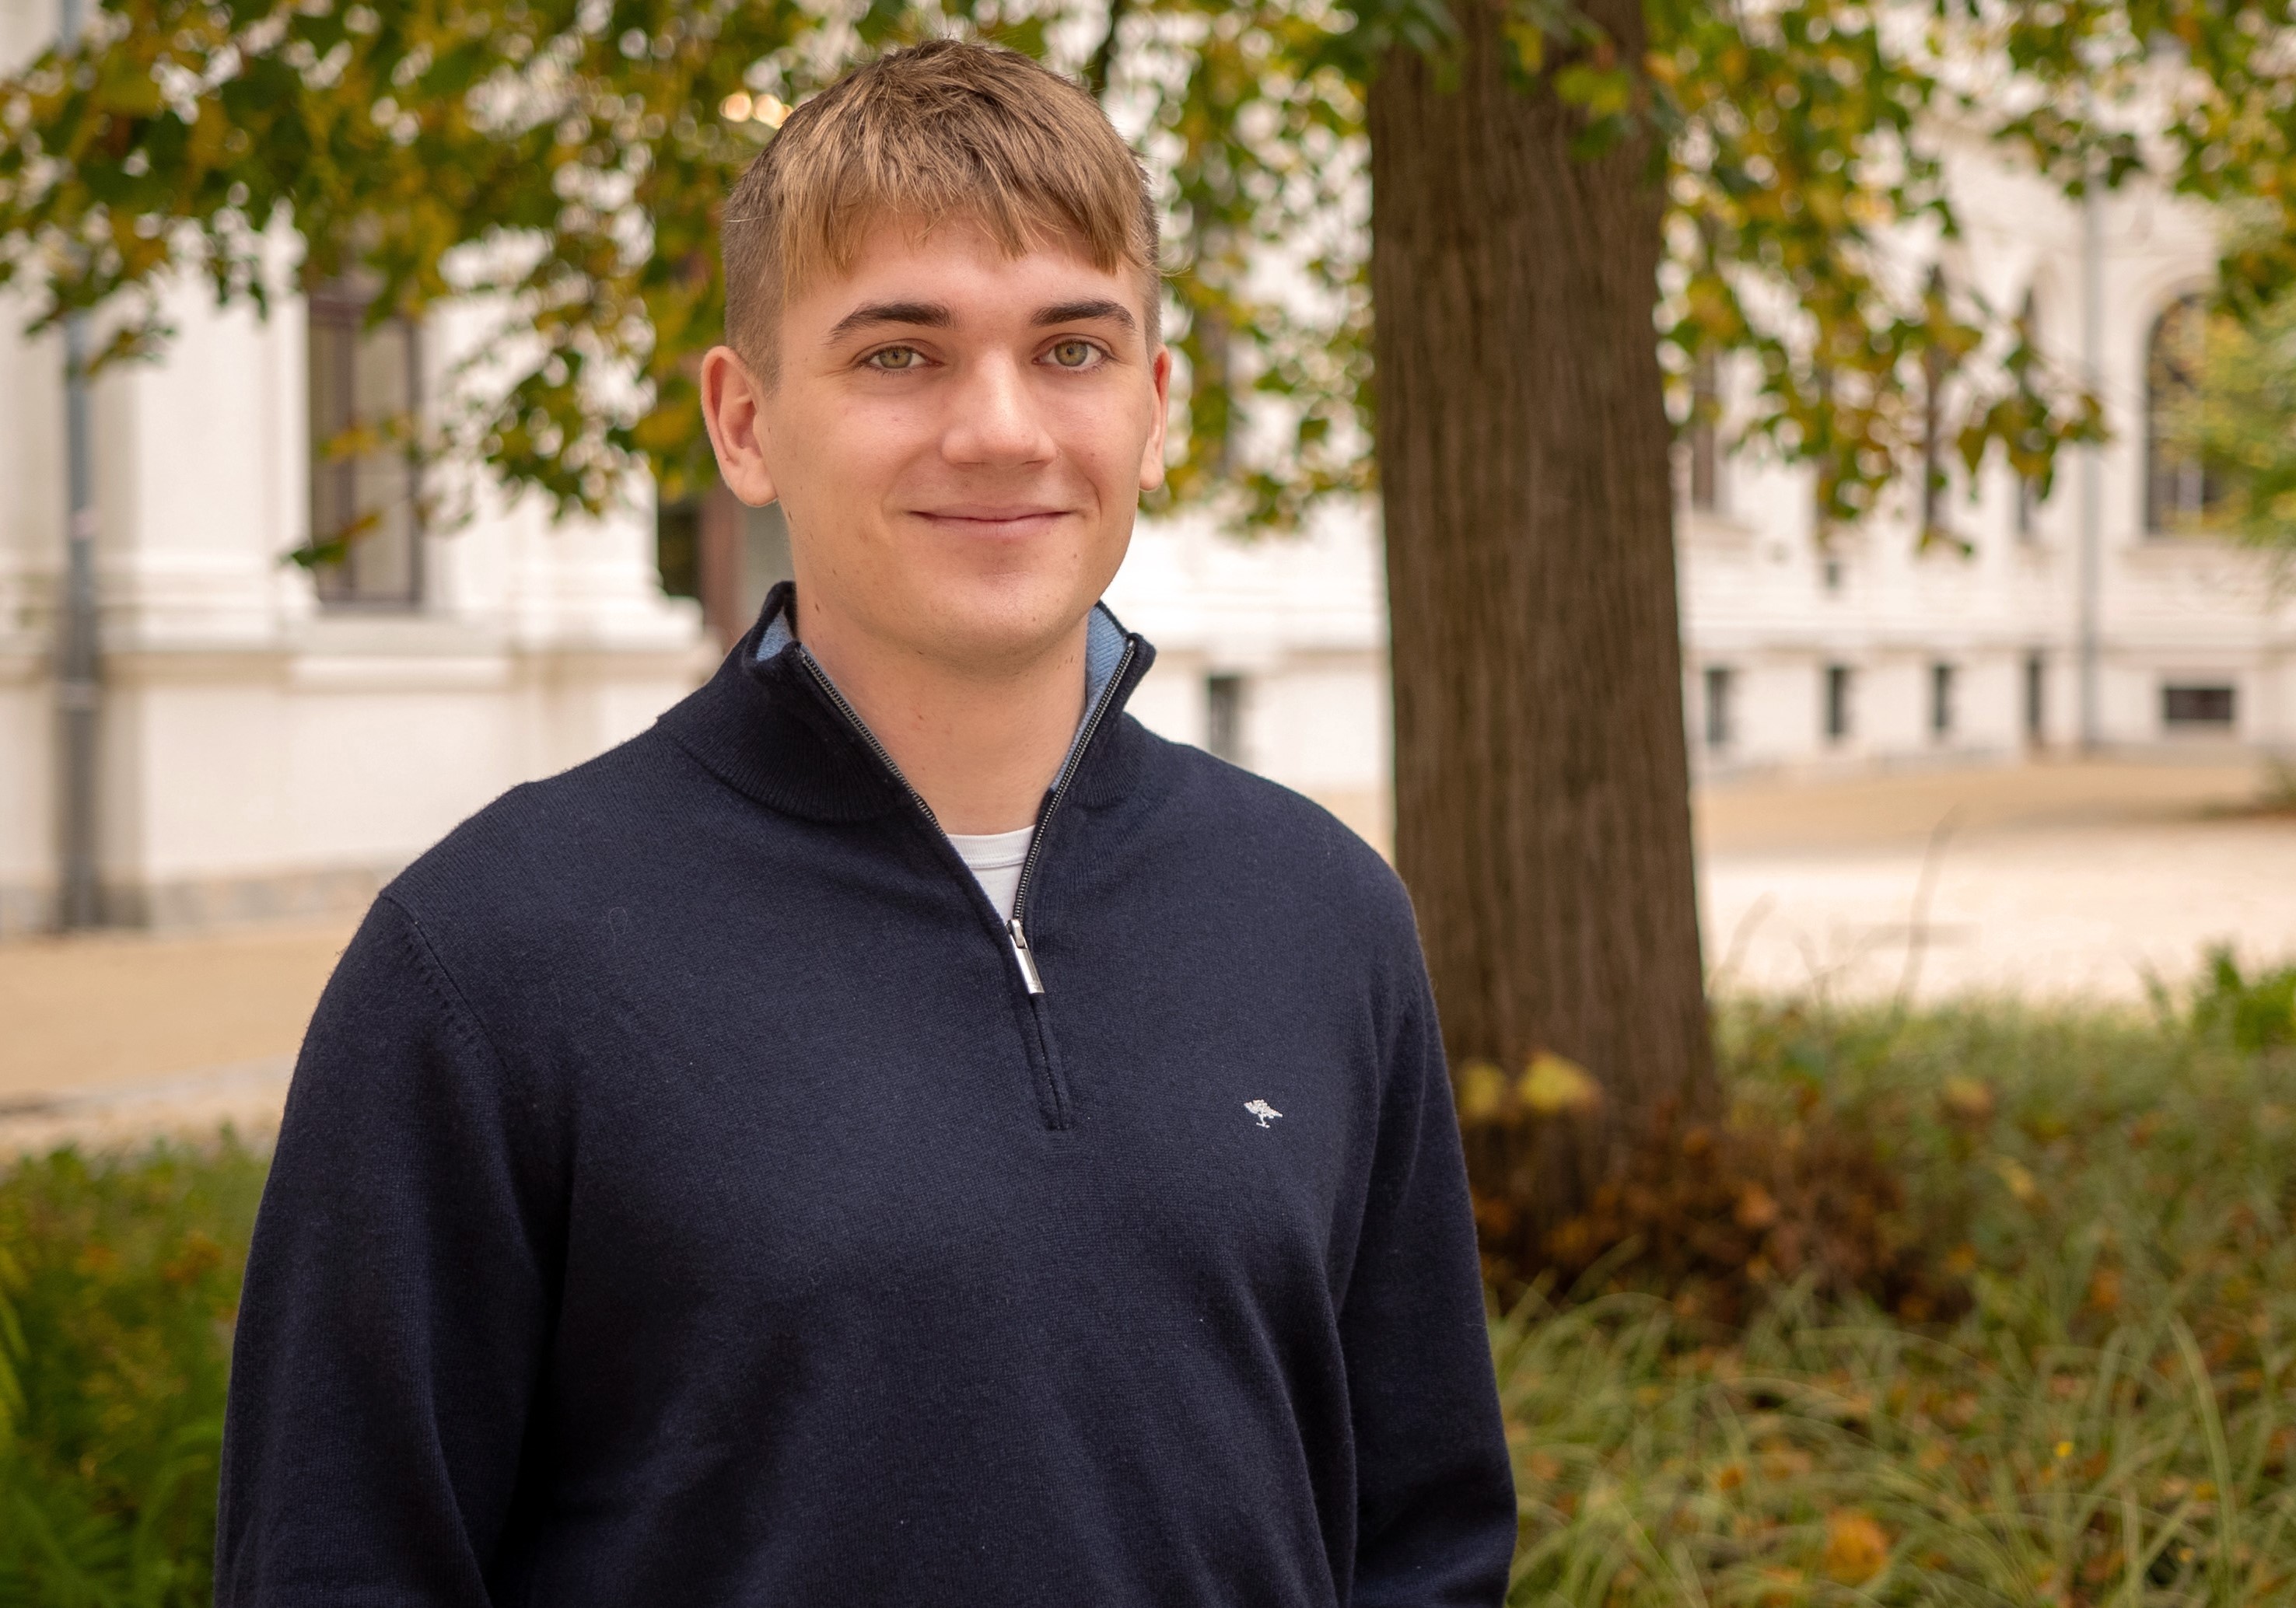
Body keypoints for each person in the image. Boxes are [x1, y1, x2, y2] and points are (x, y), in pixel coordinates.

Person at [215, 39, 1514, 1606]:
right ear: (744, 419)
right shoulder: (491, 962)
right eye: (901, 352)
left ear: (1157, 404)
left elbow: (1425, 1542)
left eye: (1072, 349)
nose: (1000, 428)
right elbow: (342, 1563)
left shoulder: (1322, 915)